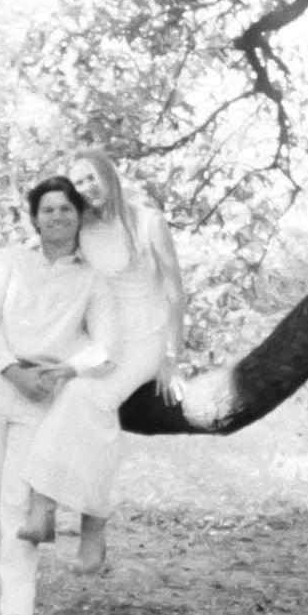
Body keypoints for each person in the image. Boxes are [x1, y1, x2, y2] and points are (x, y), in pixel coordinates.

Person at [0, 174, 115, 615]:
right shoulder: (7, 261)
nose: (57, 217)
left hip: (42, 393)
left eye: (66, 209)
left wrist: (68, 368)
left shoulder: (93, 278)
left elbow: (106, 344)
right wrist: (11, 369)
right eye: (48, 209)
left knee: (21, 506)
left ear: (79, 216)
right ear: (35, 217)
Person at [19, 148, 186, 573]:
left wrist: (171, 357)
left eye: (91, 177)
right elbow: (44, 247)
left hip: (146, 336)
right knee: (73, 398)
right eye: (78, 182)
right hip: (103, 337)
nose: (87, 188)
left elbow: (175, 290)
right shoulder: (84, 226)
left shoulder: (147, 222)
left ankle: (52, 509)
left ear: (108, 174)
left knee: (88, 396)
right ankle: (71, 525)